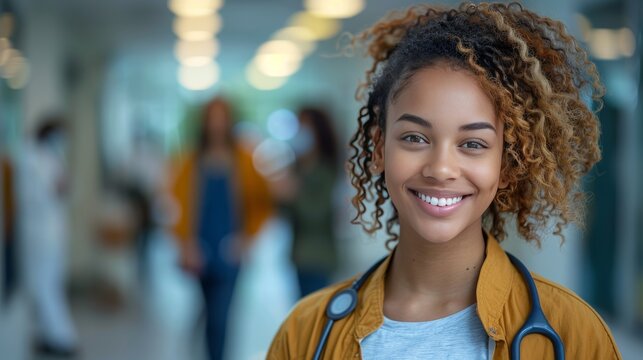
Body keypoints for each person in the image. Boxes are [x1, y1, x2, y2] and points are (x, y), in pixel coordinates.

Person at [267, 2, 621, 359]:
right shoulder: (305, 332)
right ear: (378, 149)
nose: (441, 168)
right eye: (415, 138)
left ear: (507, 165)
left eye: (472, 144)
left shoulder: (575, 331)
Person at [168, 96, 273, 360]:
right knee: (208, 309)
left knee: (221, 314)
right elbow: (174, 206)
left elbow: (264, 202)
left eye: (221, 118)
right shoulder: (191, 161)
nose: (216, 124)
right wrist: (184, 243)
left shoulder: (244, 159)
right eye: (211, 119)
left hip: (230, 249)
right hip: (200, 247)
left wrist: (248, 239)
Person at [19, 116, 78, 357]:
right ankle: (60, 337)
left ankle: (53, 336)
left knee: (49, 283)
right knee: (44, 285)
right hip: (40, 232)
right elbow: (50, 190)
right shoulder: (32, 157)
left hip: (51, 232)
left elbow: (64, 190)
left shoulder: (51, 157)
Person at [287, 107, 340, 298]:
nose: (302, 132)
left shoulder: (327, 170)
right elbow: (285, 213)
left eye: (306, 126)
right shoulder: (297, 168)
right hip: (299, 255)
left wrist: (294, 194)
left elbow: (318, 212)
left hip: (319, 257)